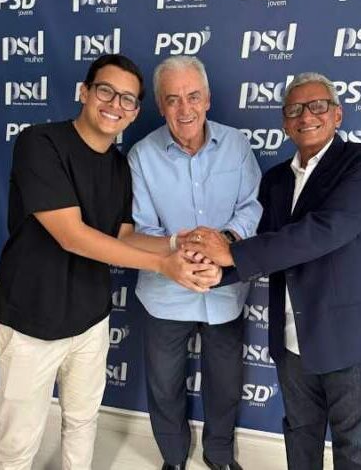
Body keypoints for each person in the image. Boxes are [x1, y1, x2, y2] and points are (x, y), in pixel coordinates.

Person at [0, 54, 220, 470]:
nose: (116, 104)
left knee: (82, 422)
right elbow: (71, 234)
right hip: (31, 319)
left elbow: (124, 235)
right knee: (17, 442)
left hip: (91, 319)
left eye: (128, 99)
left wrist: (177, 244)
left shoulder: (119, 166)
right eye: (106, 91)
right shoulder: (40, 142)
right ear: (84, 92)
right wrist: (162, 266)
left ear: (135, 112)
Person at [184, 72, 361, 470]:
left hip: (353, 341)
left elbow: (324, 232)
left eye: (318, 106)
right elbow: (262, 243)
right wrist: (216, 273)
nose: (306, 116)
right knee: (299, 438)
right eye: (295, 110)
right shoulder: (276, 179)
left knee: (357, 452)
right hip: (292, 343)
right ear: (284, 123)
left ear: (337, 115)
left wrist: (230, 255)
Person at [128, 56, 262, 470]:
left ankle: (219, 455)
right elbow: (142, 227)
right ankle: (173, 458)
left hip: (224, 290)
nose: (184, 108)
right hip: (165, 292)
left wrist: (224, 244)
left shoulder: (236, 145)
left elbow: (251, 206)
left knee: (225, 385)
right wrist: (183, 258)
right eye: (172, 99)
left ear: (207, 99)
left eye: (192, 96)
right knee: (164, 385)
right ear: (161, 106)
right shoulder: (141, 156)